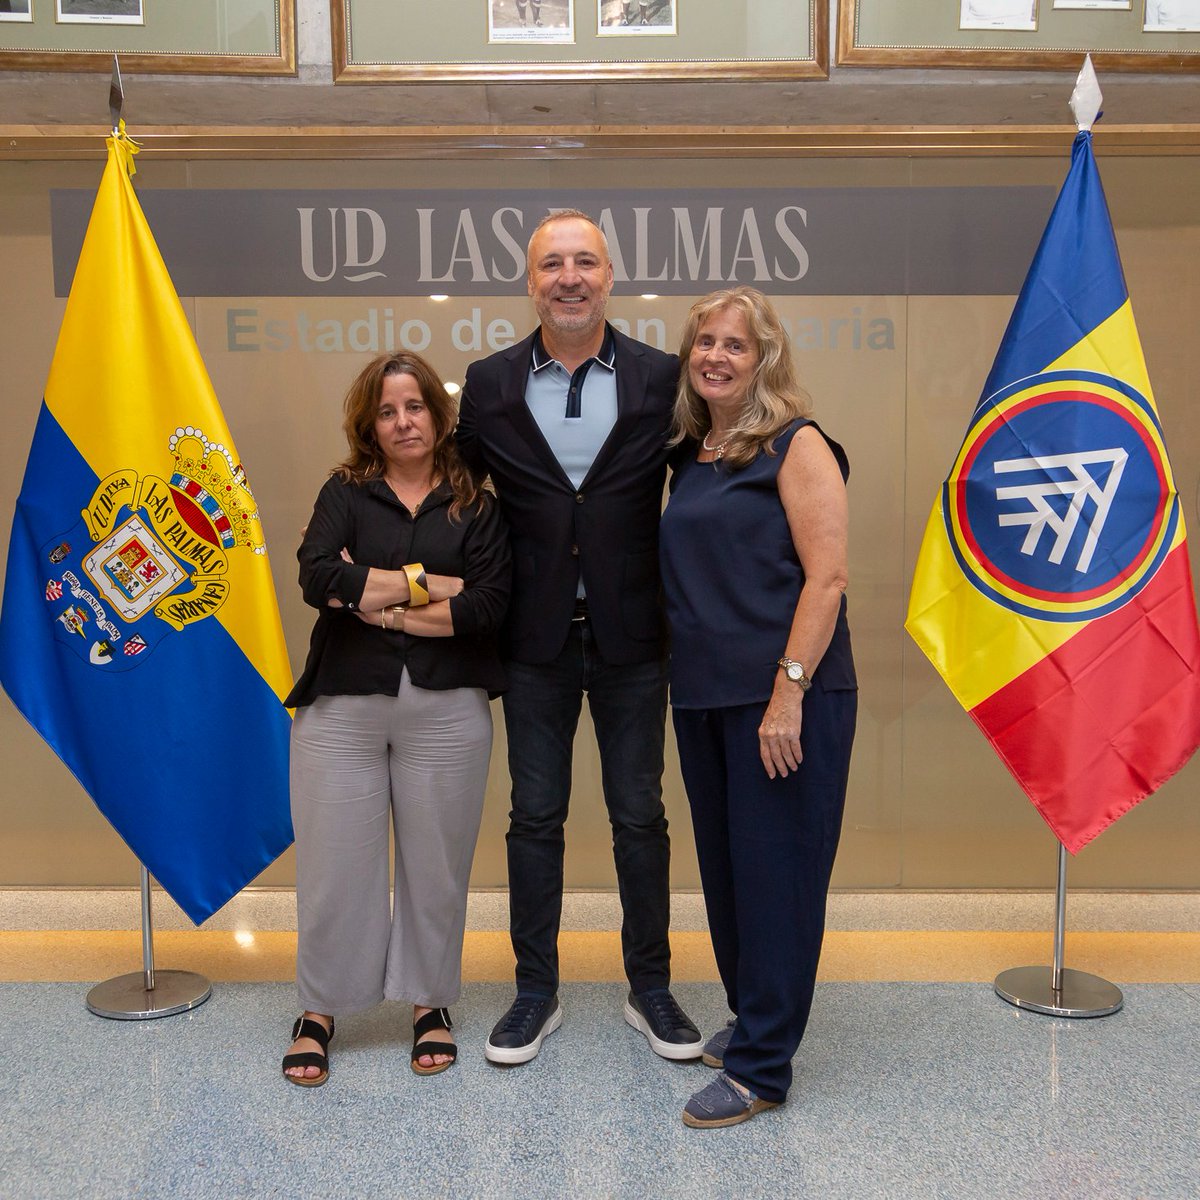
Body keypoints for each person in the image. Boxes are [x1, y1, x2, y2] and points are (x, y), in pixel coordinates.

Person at [457, 210, 703, 1065]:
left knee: (640, 815)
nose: (569, 277)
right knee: (535, 818)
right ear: (530, 282)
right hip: (532, 642)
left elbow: (711, 484)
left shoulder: (662, 378)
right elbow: (454, 501)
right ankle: (535, 991)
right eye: (552, 263)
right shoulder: (487, 384)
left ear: (610, 276)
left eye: (584, 262)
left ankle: (653, 988)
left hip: (637, 638)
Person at [281, 351, 511, 1087]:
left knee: (435, 869)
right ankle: (320, 1010)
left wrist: (377, 602)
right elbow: (318, 574)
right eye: (387, 411)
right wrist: (425, 585)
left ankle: (428, 1006)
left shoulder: (477, 503)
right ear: (368, 425)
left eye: (414, 406)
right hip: (342, 706)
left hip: (448, 711)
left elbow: (485, 606)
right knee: (332, 865)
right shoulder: (344, 491)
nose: (402, 421)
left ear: (438, 417)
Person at [659, 287, 858, 1127]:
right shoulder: (692, 454)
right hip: (704, 696)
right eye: (706, 341)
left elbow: (829, 577)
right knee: (731, 876)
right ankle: (752, 1017)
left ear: (765, 357)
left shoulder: (796, 444)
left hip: (783, 699)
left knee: (778, 879)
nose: (717, 356)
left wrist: (789, 692)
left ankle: (763, 1068)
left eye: (736, 344)